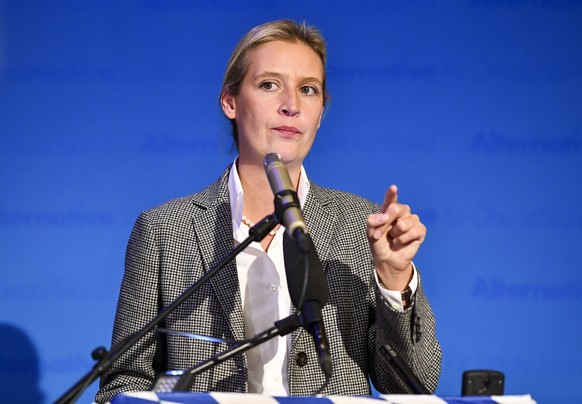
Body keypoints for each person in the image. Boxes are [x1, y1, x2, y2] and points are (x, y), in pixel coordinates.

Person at [96, 19, 441, 403]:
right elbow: (121, 387)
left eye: (308, 90)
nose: (291, 105)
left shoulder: (362, 227)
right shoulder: (163, 231)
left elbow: (416, 385)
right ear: (230, 102)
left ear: (320, 112)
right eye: (269, 85)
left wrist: (394, 279)